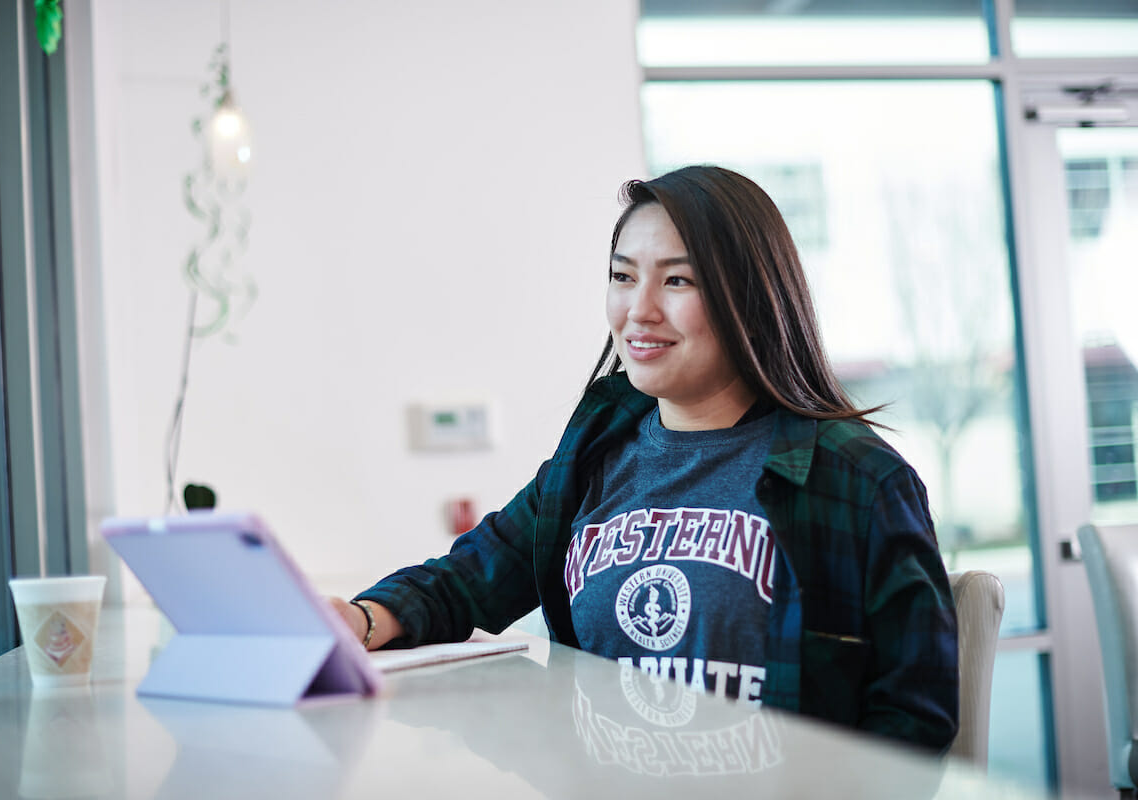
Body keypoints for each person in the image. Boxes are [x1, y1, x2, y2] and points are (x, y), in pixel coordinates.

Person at [332, 165, 958, 753]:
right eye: (623, 276)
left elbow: (913, 717)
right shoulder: (591, 460)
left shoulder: (859, 479)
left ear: (754, 298)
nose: (639, 310)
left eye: (678, 280)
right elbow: (470, 578)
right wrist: (358, 619)